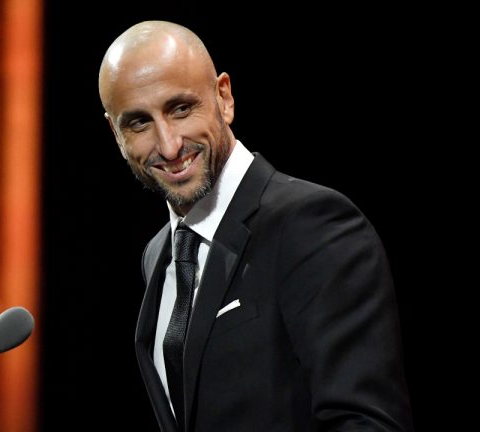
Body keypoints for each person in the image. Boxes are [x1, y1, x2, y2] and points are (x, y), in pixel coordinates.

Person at [98, 20, 413, 432]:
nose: (169, 145)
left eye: (181, 108)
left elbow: (368, 422)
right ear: (115, 133)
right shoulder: (159, 253)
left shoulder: (313, 226)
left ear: (224, 97)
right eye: (138, 123)